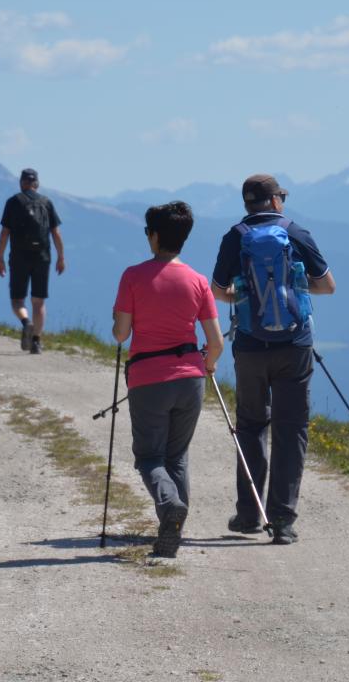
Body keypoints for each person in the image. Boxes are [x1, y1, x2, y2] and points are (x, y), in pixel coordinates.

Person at [209, 174, 335, 545]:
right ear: (276, 200)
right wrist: (293, 287)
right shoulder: (296, 233)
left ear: (248, 204)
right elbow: (327, 286)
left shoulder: (234, 236)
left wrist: (244, 298)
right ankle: (282, 521)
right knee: (290, 429)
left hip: (250, 345)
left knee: (250, 425)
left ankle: (249, 515)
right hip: (295, 344)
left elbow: (218, 290)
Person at [113, 201, 224, 558]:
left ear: (155, 236)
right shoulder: (198, 280)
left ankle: (170, 508)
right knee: (176, 456)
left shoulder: (133, 275)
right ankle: (173, 526)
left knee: (149, 458)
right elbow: (217, 342)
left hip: (148, 376)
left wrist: (118, 318)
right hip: (191, 376)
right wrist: (209, 363)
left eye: (148, 232)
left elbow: (121, 333)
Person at [0, 168, 65, 355]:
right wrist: (61, 257)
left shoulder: (13, 202)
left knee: (17, 300)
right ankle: (36, 341)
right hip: (42, 257)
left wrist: (0, 258)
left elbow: (4, 233)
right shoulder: (46, 202)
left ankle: (26, 322)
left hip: (19, 257)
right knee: (39, 301)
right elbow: (56, 233)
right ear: (37, 183)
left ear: (21, 183)